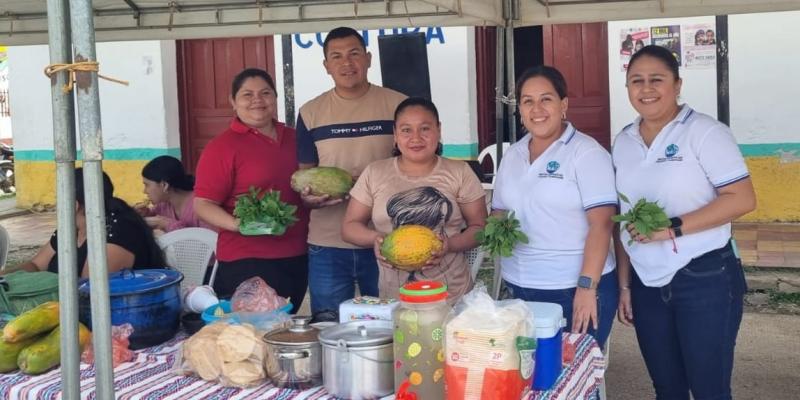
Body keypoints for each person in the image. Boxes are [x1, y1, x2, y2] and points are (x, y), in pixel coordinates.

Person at [613, 45, 756, 400]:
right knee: (668, 389)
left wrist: (671, 228)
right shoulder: (623, 141)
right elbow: (622, 217)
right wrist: (625, 286)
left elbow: (742, 198)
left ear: (677, 84)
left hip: (704, 277)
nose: (646, 89)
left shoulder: (705, 132)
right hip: (647, 284)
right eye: (636, 81)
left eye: (656, 79)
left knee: (709, 389)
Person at [491, 66, 618, 349]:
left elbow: (602, 224)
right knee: (527, 380)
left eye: (546, 99)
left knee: (573, 384)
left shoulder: (586, 153)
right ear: (520, 110)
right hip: (519, 288)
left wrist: (586, 288)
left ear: (563, 105)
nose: (537, 109)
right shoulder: (513, 154)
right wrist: (492, 231)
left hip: (571, 289)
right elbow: (499, 212)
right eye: (527, 101)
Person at [296, 27, 407, 322]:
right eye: (337, 56)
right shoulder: (310, 112)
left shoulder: (398, 105)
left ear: (368, 58)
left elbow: (416, 167)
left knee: (391, 326)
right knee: (329, 326)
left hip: (387, 238)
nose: (347, 63)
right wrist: (309, 200)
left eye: (354, 53)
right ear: (326, 66)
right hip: (328, 242)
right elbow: (305, 175)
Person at [342, 97, 487, 303]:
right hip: (395, 300)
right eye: (406, 130)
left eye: (425, 129)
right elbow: (349, 227)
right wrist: (375, 240)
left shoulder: (459, 172)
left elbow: (480, 228)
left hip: (453, 297)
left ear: (438, 130)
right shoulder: (375, 172)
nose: (416, 138)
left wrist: (450, 245)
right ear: (395, 135)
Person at [193, 68, 309, 313]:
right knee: (252, 334)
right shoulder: (222, 148)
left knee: (284, 328)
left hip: (297, 253)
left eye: (265, 93)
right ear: (233, 102)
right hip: (247, 259)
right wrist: (240, 225)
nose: (257, 100)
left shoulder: (295, 138)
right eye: (247, 95)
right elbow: (202, 203)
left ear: (275, 98)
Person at [5, 168, 165, 278]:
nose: (55, 205)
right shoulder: (70, 230)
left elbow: (89, 289)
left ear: (74, 205)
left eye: (58, 198)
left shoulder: (119, 231)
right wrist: (4, 275)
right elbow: (36, 265)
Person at [139, 155, 209, 234]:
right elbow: (152, 215)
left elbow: (208, 243)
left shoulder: (201, 206)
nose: (144, 191)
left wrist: (166, 224)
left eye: (147, 185)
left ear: (164, 185)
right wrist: (145, 213)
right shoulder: (163, 205)